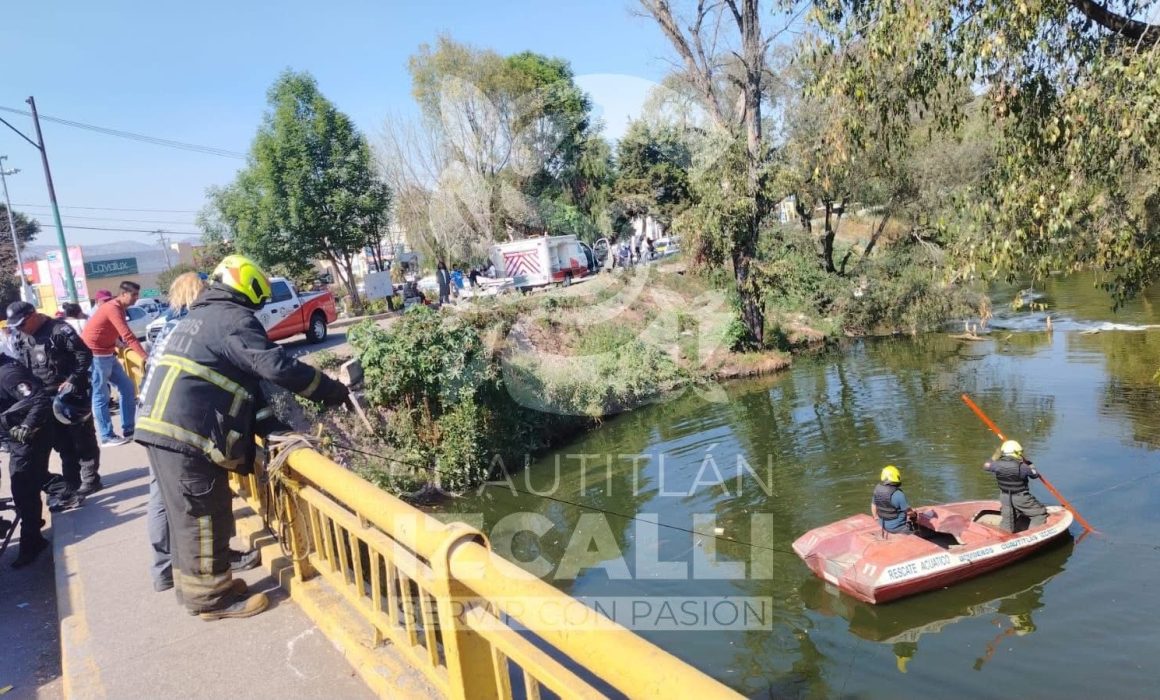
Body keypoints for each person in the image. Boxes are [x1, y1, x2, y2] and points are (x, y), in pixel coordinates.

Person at [135, 255, 351, 620]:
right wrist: (331, 391)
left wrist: (273, 429)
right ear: (249, 291)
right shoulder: (233, 319)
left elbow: (247, 388)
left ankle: (207, 586)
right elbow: (275, 366)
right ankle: (211, 601)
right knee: (200, 516)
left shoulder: (202, 317)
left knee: (201, 512)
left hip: (171, 431)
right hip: (185, 434)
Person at [6, 300, 100, 502]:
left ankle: (91, 478)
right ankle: (71, 486)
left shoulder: (59, 330)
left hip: (70, 395)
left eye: (22, 324)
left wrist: (72, 380)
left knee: (82, 440)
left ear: (32, 316)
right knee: (63, 444)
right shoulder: (20, 336)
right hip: (43, 398)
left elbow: (84, 355)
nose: (20, 329)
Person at [0, 352, 57, 568]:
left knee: (24, 488)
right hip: (15, 436)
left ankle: (32, 542)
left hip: (30, 437)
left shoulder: (8, 374)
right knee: (27, 484)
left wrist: (27, 426)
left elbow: (38, 398)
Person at [81, 281, 147, 446]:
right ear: (123, 294)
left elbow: (113, 331)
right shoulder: (113, 307)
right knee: (100, 395)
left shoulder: (118, 308)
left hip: (108, 353)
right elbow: (128, 335)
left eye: (137, 295)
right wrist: (145, 357)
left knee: (127, 387)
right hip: (95, 355)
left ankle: (129, 429)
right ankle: (106, 435)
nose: (136, 299)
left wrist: (117, 344)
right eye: (133, 295)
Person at [983, 440, 1047, 533]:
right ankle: (1031, 535)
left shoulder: (996, 465)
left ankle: (1004, 538)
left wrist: (995, 455)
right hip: (1021, 497)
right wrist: (1030, 464)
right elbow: (1035, 475)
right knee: (1039, 513)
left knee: (1007, 520)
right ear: (1017, 453)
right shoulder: (1022, 467)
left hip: (1005, 497)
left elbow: (986, 466)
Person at [871, 465, 915, 535]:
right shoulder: (898, 494)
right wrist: (914, 514)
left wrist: (876, 518)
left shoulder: (877, 490)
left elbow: (873, 505)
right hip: (898, 528)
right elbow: (909, 512)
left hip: (882, 524)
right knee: (915, 531)